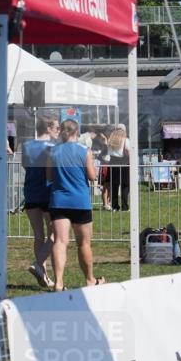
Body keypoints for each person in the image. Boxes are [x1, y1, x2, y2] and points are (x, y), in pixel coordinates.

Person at [47, 119, 101, 290]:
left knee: (60, 242)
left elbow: (49, 177)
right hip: (80, 202)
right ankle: (90, 279)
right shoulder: (85, 151)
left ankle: (59, 282)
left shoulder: (52, 151)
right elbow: (92, 176)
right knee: (83, 243)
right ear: (77, 132)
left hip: (58, 201)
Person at [21, 116, 59, 289]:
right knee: (55, 234)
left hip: (30, 191)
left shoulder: (26, 146)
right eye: (57, 128)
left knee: (38, 235)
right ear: (49, 128)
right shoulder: (54, 147)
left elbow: (25, 165)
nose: (58, 131)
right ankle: (39, 264)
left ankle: (42, 272)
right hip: (48, 192)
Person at [106, 124, 130, 211]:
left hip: (113, 164)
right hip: (124, 164)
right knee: (125, 186)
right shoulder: (126, 141)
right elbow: (130, 153)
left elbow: (108, 154)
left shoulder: (110, 141)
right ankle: (124, 206)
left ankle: (114, 206)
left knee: (114, 186)